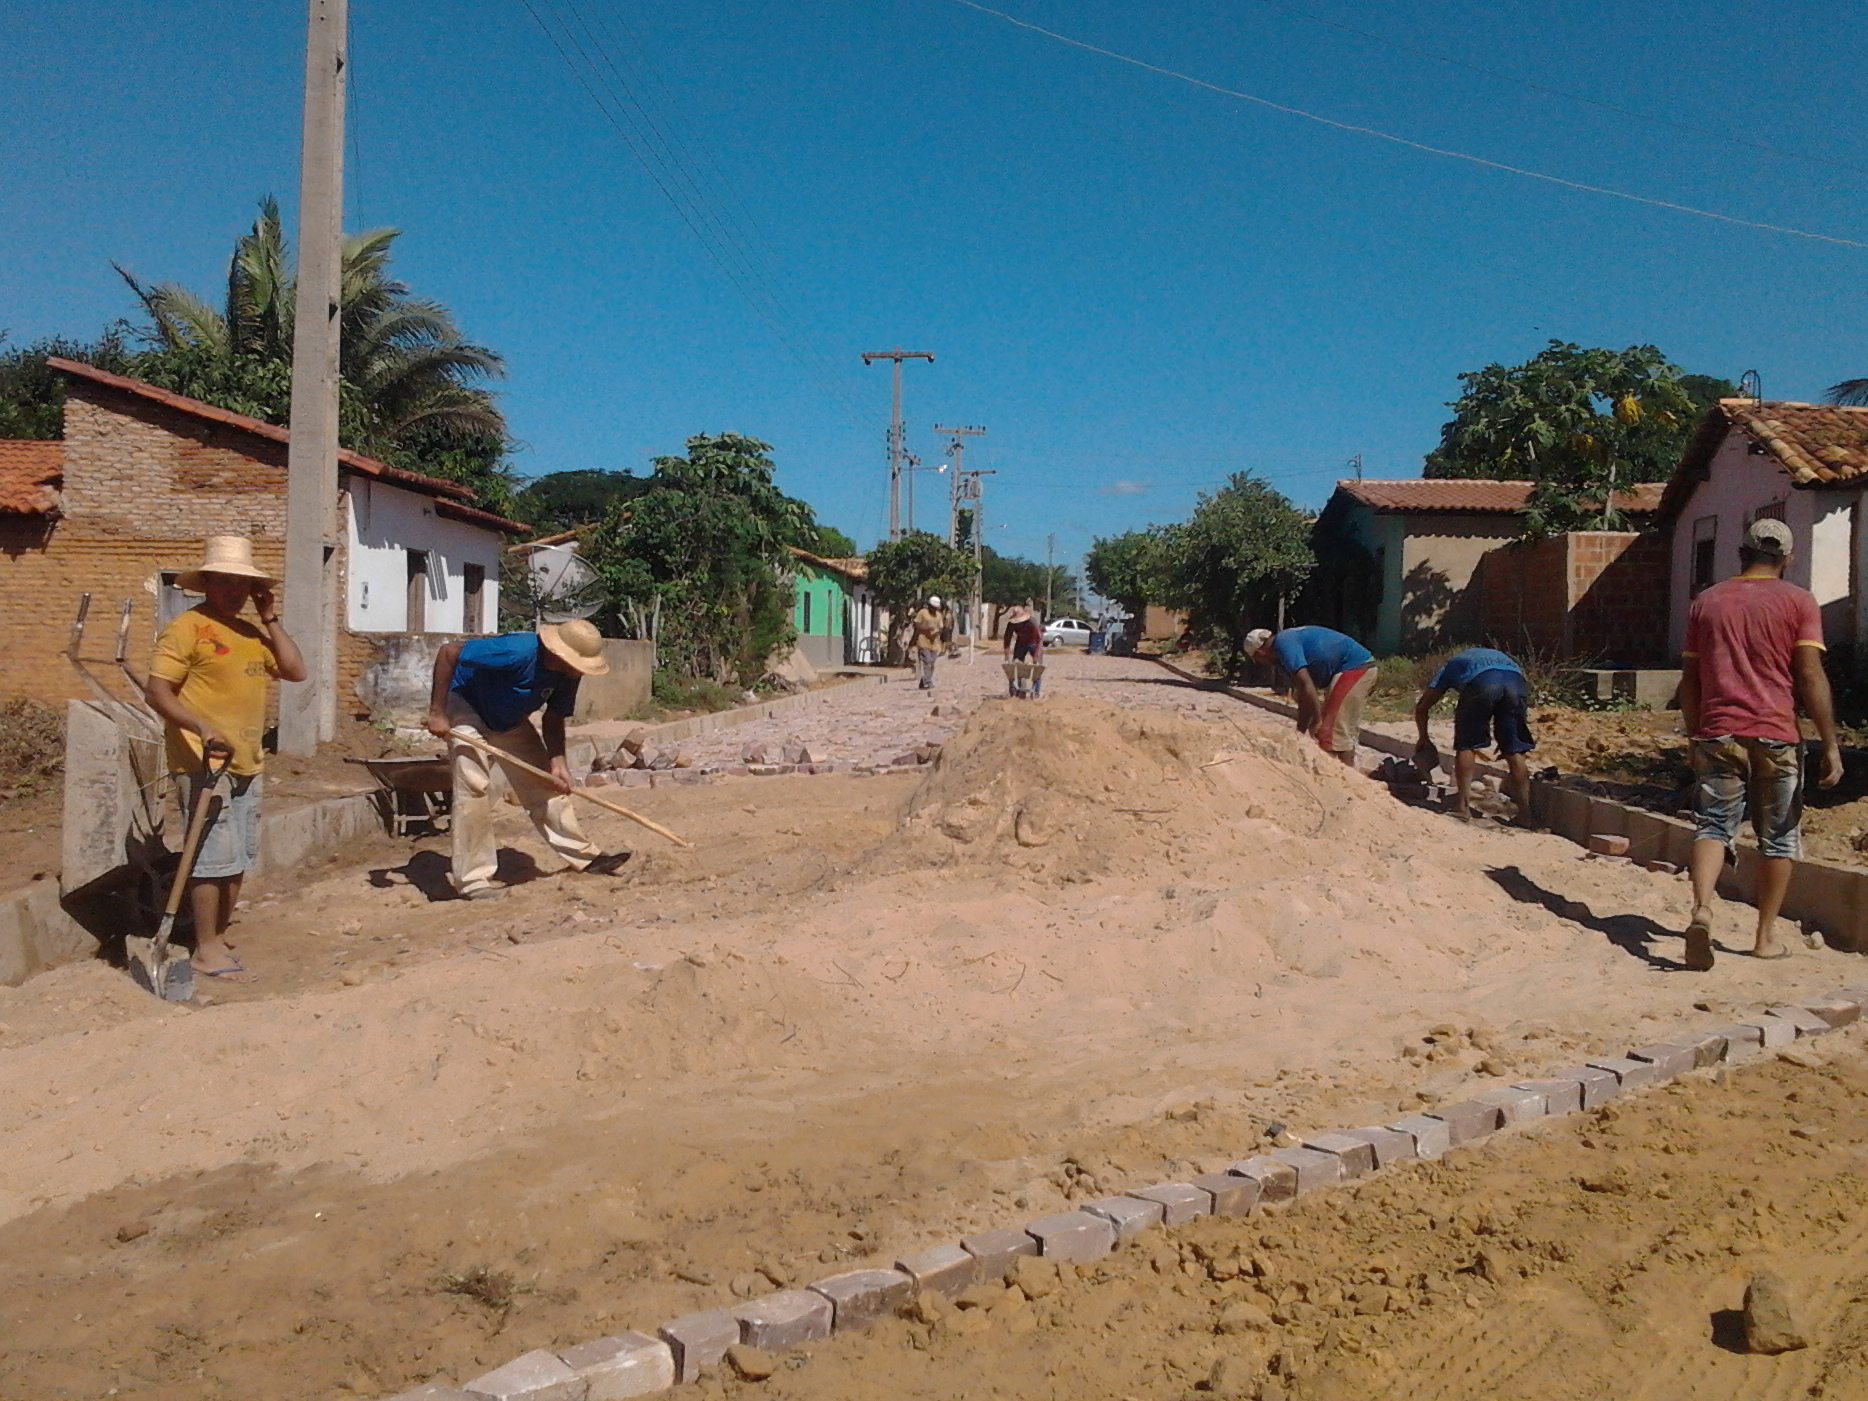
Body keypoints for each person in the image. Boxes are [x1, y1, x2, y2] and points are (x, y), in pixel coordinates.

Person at [1678, 517, 1842, 968]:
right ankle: (1764, 937)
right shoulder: (1799, 602)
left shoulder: (1705, 603)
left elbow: (1689, 681)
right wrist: (1830, 742)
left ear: (1740, 554)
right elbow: (1809, 674)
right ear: (1787, 559)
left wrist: (1696, 734)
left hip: (1718, 730)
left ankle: (1702, 911)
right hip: (1776, 734)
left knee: (1712, 826)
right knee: (1779, 839)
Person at [144, 535, 308, 980]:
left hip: (248, 762)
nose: (234, 591)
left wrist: (270, 617)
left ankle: (215, 934)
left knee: (237, 861)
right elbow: (157, 691)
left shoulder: (251, 633)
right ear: (208, 583)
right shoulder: (187, 628)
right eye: (226, 582)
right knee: (210, 859)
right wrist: (200, 727)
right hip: (203, 762)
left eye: (243, 583)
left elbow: (296, 670)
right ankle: (205, 947)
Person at [423, 619, 630, 899]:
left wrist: (558, 762)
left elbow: (554, 716)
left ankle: (585, 857)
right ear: (559, 654)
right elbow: (449, 652)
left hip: (509, 719)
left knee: (546, 784)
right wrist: (438, 712)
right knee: (473, 789)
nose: (578, 670)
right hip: (467, 707)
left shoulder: (569, 674)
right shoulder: (516, 651)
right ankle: (474, 880)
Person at [1412, 646, 1535, 821]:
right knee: (1514, 750)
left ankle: (1462, 807)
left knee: (1466, 745)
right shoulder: (1501, 659)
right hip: (1516, 683)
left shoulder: (1450, 666)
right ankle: (1525, 814)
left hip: (1483, 683)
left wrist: (1423, 737)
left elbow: (1423, 706)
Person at [1245, 625, 1378, 765]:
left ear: (1260, 653)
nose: (1262, 664)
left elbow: (1306, 684)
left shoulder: (1283, 644)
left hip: (1355, 667)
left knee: (1332, 731)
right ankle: (1342, 773)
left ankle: (1347, 779)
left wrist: (1316, 720)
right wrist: (1300, 730)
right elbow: (1303, 695)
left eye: (1258, 660)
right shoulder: (1284, 647)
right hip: (1354, 667)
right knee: (1335, 730)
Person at [1002, 601, 1044, 698]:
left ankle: (1036, 691)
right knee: (1015, 666)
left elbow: (1039, 638)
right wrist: (1006, 657)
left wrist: (1036, 654)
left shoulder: (1031, 622)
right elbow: (1007, 638)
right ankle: (1015, 690)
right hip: (1021, 643)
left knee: (1037, 668)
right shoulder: (1012, 624)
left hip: (1034, 643)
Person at [910, 595, 944, 690]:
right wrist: (926, 630)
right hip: (923, 640)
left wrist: (936, 633)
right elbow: (917, 625)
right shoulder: (922, 613)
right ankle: (928, 682)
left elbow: (941, 627)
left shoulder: (939, 615)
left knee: (932, 662)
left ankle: (924, 680)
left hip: (934, 642)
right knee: (927, 660)